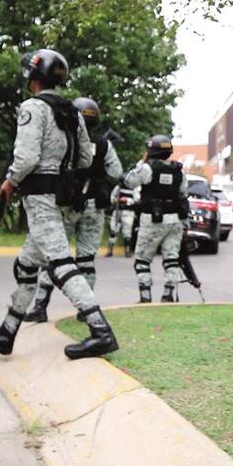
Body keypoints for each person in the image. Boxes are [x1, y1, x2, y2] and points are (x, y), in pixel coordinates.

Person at [0, 49, 119, 359]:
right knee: (27, 266)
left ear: (33, 77)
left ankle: (100, 331)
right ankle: (7, 332)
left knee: (60, 264)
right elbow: (84, 158)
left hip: (40, 199)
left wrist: (10, 181)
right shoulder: (73, 112)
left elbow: (26, 158)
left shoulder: (32, 108)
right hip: (64, 198)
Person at [23, 98, 123, 323]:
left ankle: (40, 306)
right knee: (86, 259)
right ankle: (85, 311)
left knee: (54, 258)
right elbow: (116, 172)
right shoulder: (104, 145)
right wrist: (98, 179)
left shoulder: (65, 140)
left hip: (66, 205)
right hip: (93, 208)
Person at [122, 135, 188, 303]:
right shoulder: (178, 170)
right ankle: (168, 294)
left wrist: (140, 163)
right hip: (175, 220)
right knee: (171, 259)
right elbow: (183, 195)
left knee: (142, 260)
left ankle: (145, 297)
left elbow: (129, 181)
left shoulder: (147, 168)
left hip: (152, 219)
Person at [106, 182, 137, 257]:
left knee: (127, 232)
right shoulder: (118, 187)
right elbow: (112, 197)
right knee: (113, 230)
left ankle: (127, 250)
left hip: (128, 212)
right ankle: (110, 250)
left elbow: (137, 199)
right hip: (117, 211)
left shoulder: (134, 188)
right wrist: (116, 200)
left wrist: (127, 200)